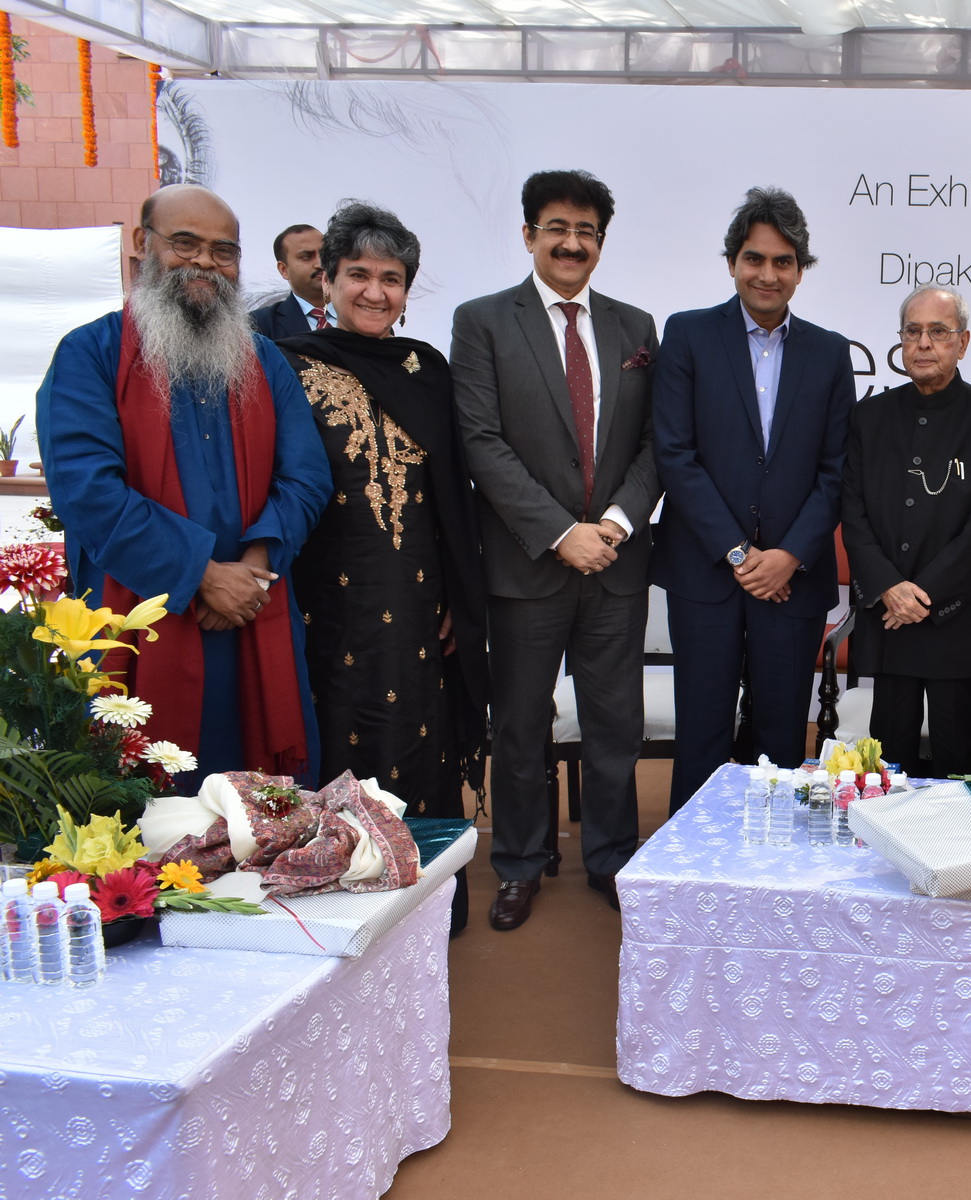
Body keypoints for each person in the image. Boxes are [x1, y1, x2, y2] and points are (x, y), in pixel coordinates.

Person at [37, 184, 331, 784]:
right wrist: (202, 575)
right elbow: (86, 489)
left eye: (224, 251)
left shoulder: (265, 361)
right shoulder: (89, 354)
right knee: (138, 815)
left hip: (253, 616)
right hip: (138, 625)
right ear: (143, 245)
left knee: (259, 814)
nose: (205, 262)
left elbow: (306, 477)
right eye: (185, 243)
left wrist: (252, 569)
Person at [451, 170, 661, 931]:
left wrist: (612, 524)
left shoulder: (636, 328)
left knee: (615, 726)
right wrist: (558, 532)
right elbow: (481, 442)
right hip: (525, 565)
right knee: (519, 727)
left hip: (615, 562)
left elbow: (653, 445)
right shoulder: (482, 322)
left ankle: (610, 858)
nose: (573, 243)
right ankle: (519, 863)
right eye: (557, 229)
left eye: (587, 232)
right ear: (529, 235)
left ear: (601, 242)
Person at [280, 201, 489, 934]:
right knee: (340, 740)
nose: (375, 292)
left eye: (392, 278)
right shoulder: (288, 367)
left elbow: (453, 500)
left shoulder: (426, 369)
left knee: (421, 743)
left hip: (421, 602)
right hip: (327, 607)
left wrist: (459, 600)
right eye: (358, 275)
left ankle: (429, 910)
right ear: (327, 280)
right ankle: (346, 906)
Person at [652, 187, 855, 810]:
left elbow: (836, 471)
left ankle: (775, 879)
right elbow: (676, 456)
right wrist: (741, 556)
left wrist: (789, 555)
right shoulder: (687, 336)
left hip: (792, 582)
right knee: (703, 735)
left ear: (801, 268)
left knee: (781, 736)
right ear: (733, 262)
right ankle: (693, 872)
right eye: (754, 258)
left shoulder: (828, 351)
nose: (768, 273)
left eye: (783, 260)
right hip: (708, 575)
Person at [840, 288, 971, 777]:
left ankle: (958, 855)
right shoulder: (869, 417)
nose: (924, 343)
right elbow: (852, 511)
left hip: (956, 619)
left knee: (959, 767)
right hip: (889, 617)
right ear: (900, 341)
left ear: (962, 343)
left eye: (938, 332)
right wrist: (888, 588)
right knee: (889, 766)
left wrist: (920, 595)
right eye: (913, 331)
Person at [251, 224, 331, 339]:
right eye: (306, 256)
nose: (320, 264)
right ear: (284, 270)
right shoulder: (259, 325)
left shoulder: (360, 313)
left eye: (325, 255)